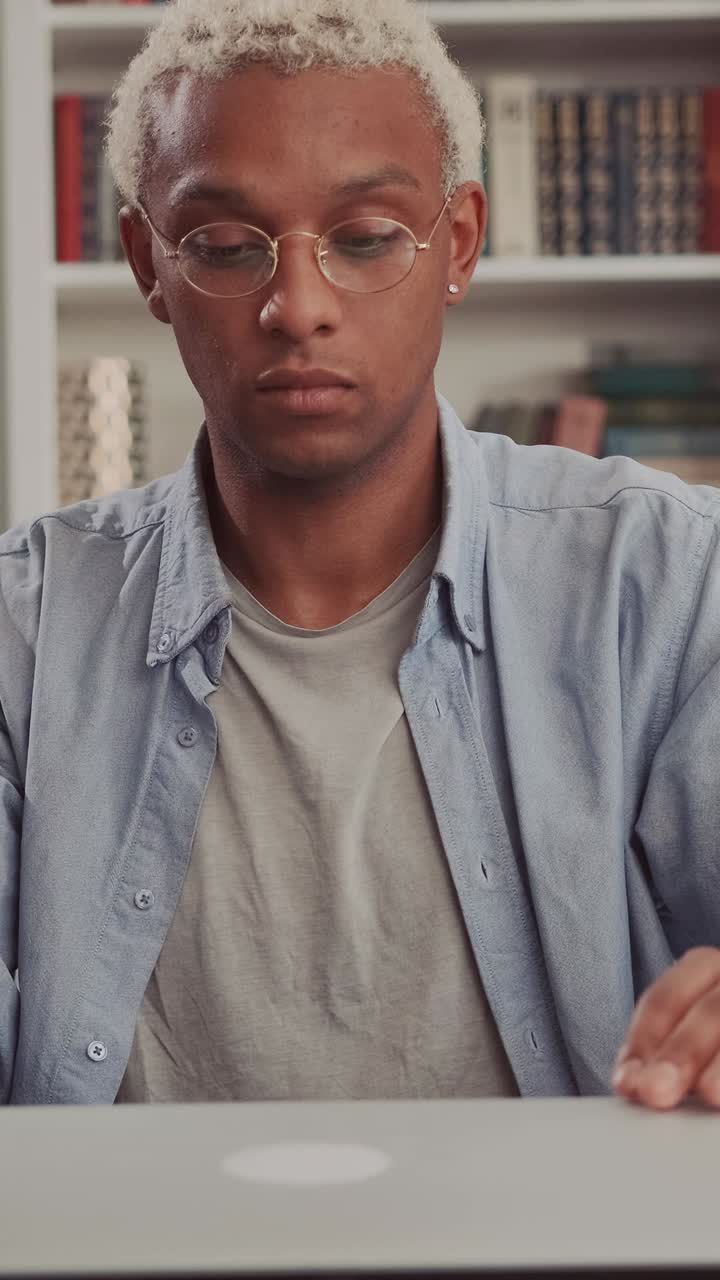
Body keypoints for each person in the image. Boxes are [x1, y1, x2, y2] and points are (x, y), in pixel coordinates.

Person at [1, 0, 719, 1112]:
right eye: (228, 247)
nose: (298, 306)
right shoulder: (25, 628)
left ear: (460, 244)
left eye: (368, 237)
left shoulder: (662, 583)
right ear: (149, 263)